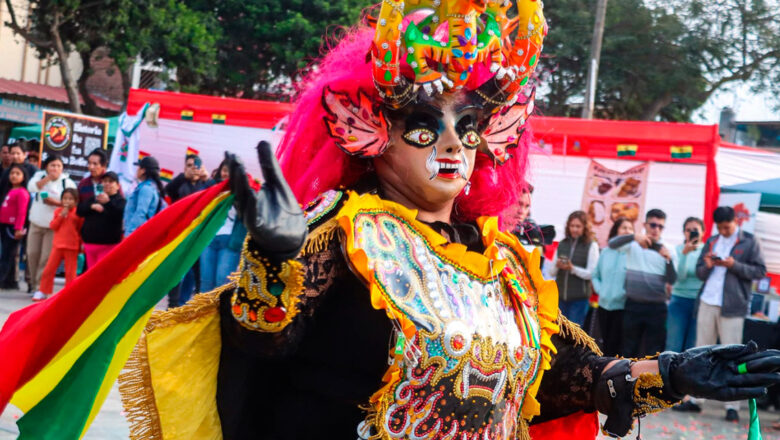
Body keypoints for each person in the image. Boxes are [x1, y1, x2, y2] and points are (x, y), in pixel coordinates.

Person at [112, 8, 780, 440]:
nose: (453, 146)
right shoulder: (343, 233)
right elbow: (265, 339)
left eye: (469, 125)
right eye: (425, 128)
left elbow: (555, 375)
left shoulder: (504, 263)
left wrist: (671, 372)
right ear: (369, 132)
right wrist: (271, 262)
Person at [695, 206, 767, 422]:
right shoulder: (711, 240)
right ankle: (695, 399)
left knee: (733, 353)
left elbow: (759, 271)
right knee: (700, 352)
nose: (723, 231)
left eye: (727, 227)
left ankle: (732, 406)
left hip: (733, 305)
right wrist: (707, 265)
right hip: (708, 300)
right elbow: (700, 272)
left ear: (736, 222)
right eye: (720, 227)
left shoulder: (750, 241)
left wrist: (734, 265)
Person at [609, 208, 677, 358]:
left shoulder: (669, 249)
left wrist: (668, 260)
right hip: (633, 304)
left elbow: (672, 280)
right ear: (645, 225)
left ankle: (650, 382)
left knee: (654, 352)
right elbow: (611, 244)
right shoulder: (633, 244)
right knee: (628, 349)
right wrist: (633, 236)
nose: (656, 229)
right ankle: (626, 381)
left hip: (657, 308)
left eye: (660, 226)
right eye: (653, 225)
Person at [27, 155, 76, 297]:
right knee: (32, 254)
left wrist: (57, 203)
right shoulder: (39, 176)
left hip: (54, 226)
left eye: (58, 166)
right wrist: (47, 179)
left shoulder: (67, 183)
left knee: (46, 258)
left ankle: (39, 287)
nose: (55, 169)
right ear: (46, 166)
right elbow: (31, 187)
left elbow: (73, 202)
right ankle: (34, 283)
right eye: (52, 165)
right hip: (36, 222)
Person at [165, 153, 209, 308]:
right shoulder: (179, 183)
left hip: (199, 235)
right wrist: (183, 176)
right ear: (184, 168)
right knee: (175, 272)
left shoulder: (206, 184)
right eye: (189, 166)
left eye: (196, 165)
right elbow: (169, 190)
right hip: (180, 235)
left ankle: (194, 307)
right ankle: (173, 306)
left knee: (198, 273)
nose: (193, 169)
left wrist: (206, 178)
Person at [199, 160, 245, 292]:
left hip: (230, 243)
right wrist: (208, 182)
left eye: (230, 171)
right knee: (205, 283)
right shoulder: (213, 188)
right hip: (209, 239)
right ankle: (202, 313)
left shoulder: (243, 192)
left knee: (222, 284)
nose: (226, 174)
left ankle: (220, 312)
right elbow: (199, 202)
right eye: (224, 170)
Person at [549, 210, 599, 326]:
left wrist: (572, 268)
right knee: (557, 332)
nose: (574, 229)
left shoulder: (592, 246)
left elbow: (592, 273)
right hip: (560, 297)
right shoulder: (562, 244)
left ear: (585, 227)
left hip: (579, 300)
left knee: (572, 336)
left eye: (578, 226)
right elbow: (551, 272)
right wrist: (557, 266)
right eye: (572, 226)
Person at [592, 217, 633, 356]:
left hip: (622, 308)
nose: (627, 231)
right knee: (604, 343)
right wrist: (600, 290)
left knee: (617, 346)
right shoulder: (606, 252)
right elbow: (595, 275)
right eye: (624, 227)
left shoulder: (634, 254)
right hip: (604, 305)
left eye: (630, 228)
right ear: (616, 230)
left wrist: (624, 293)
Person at [35, 188, 83, 302]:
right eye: (65, 198)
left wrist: (81, 245)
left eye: (70, 199)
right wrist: (62, 215)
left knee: (71, 273)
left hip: (72, 246)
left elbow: (81, 229)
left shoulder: (78, 213)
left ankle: (69, 293)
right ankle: (43, 291)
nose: (67, 201)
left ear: (76, 201)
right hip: (58, 245)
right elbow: (53, 226)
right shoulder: (58, 211)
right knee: (49, 269)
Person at [667, 217, 705, 353]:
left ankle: (686, 374)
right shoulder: (677, 250)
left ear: (703, 232)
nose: (692, 233)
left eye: (695, 230)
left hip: (700, 302)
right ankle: (668, 374)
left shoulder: (706, 251)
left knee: (692, 347)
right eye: (688, 230)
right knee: (673, 345)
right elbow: (679, 277)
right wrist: (684, 255)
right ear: (684, 233)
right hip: (679, 300)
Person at [77, 171, 126, 268]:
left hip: (108, 245)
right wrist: (91, 206)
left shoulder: (120, 201)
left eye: (110, 181)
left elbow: (119, 214)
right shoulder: (95, 198)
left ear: (117, 185)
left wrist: (107, 202)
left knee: (102, 273)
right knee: (90, 275)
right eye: (104, 181)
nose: (107, 184)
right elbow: (79, 210)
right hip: (90, 245)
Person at [0, 164, 29, 289]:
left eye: (17, 174)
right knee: (6, 255)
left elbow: (22, 212)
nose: (14, 176)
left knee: (7, 255)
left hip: (12, 227)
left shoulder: (22, 193)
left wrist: (18, 228)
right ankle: (8, 282)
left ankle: (2, 279)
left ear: (23, 177)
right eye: (12, 173)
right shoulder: (9, 190)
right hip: (4, 225)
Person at [123, 156, 165, 237]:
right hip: (139, 232)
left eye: (138, 167)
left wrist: (129, 235)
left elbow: (140, 213)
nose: (137, 170)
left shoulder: (146, 189)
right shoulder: (150, 187)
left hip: (137, 234)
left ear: (143, 170)